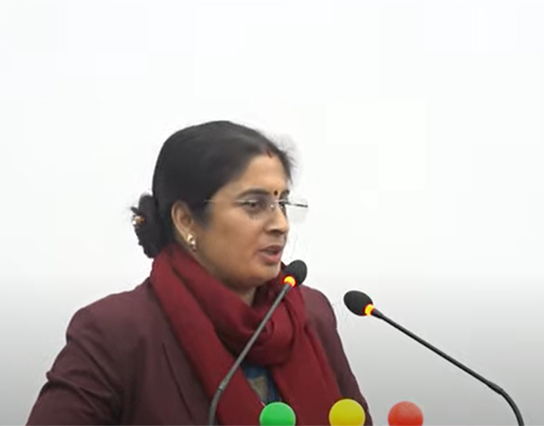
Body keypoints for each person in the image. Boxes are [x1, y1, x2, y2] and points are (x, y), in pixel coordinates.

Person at [26, 121, 371, 425]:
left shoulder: (310, 313)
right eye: (255, 205)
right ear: (186, 220)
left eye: (282, 203)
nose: (280, 224)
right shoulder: (117, 332)